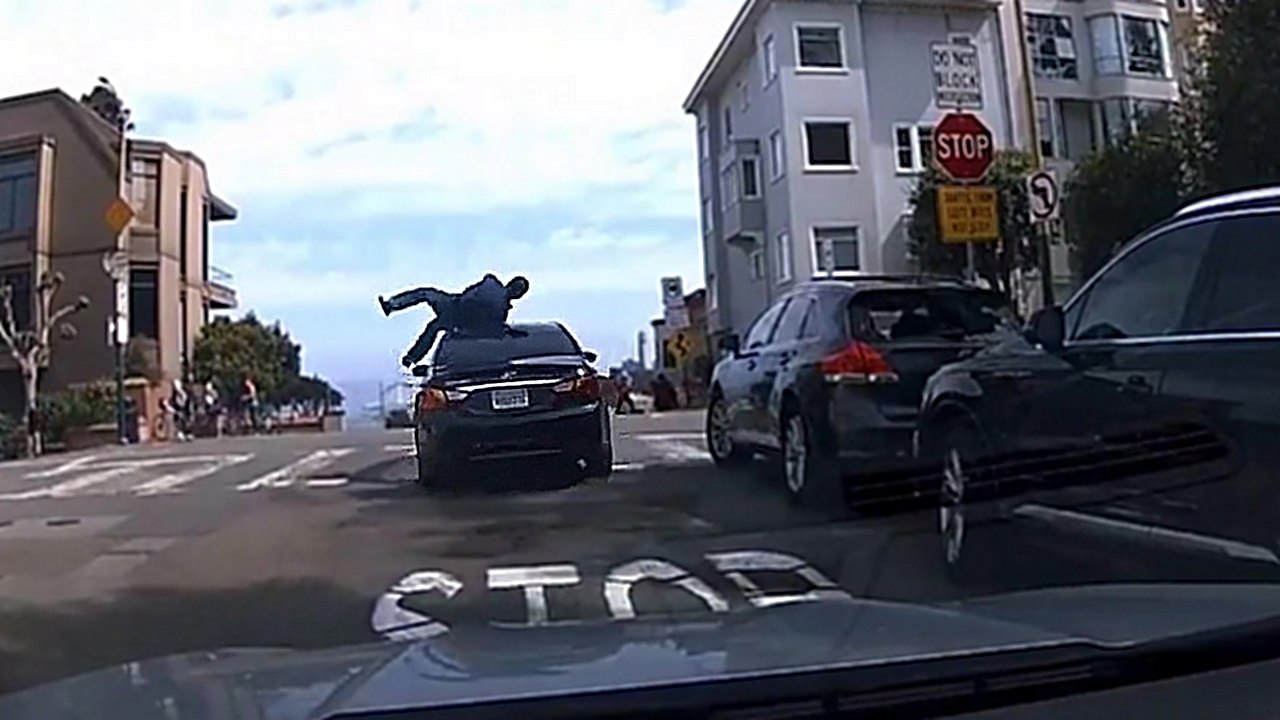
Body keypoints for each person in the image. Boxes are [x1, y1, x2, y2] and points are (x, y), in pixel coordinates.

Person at [379, 274, 530, 368]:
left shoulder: (491, 284)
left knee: (426, 297)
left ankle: (392, 305)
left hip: (454, 307)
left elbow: (470, 294)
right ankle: (411, 358)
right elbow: (492, 330)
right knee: (433, 325)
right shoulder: (500, 308)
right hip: (457, 316)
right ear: (518, 295)